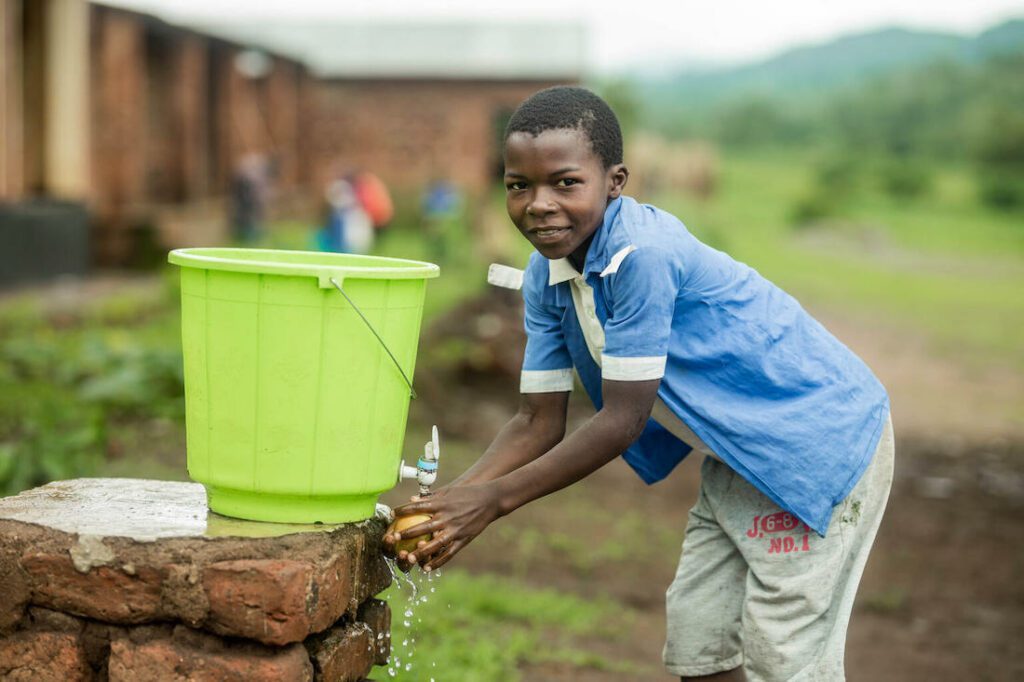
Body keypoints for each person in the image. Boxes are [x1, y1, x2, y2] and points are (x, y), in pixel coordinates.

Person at [384, 86, 893, 681]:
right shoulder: (544, 275)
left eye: (565, 183)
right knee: (699, 645)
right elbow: (536, 420)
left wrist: (489, 503)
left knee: (783, 655)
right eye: (518, 185)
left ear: (615, 181)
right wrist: (445, 507)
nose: (538, 204)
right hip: (739, 455)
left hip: (818, 443)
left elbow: (623, 421)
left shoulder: (640, 256)